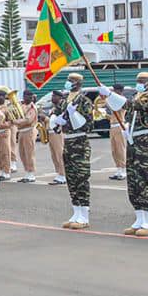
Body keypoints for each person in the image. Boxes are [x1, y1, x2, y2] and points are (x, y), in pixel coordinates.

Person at [103, 72, 148, 236]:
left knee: (143, 182)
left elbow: (130, 106)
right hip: (133, 141)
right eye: (138, 81)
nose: (139, 84)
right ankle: (139, 218)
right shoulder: (137, 97)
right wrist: (127, 129)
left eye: (142, 81)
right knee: (133, 183)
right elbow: (126, 111)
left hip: (144, 144)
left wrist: (110, 94)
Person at [55, 73, 94, 228]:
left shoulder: (84, 101)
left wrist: (74, 115)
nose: (68, 83)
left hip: (80, 142)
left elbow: (89, 126)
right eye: (68, 80)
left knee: (81, 178)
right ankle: (76, 212)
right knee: (71, 179)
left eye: (71, 81)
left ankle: (84, 215)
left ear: (78, 83)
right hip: (68, 142)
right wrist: (57, 121)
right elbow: (56, 119)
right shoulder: (64, 101)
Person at [13, 90, 38, 183]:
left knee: (29, 152)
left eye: (29, 96)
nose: (27, 98)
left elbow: (28, 120)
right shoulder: (22, 106)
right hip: (21, 131)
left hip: (29, 131)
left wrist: (16, 122)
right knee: (22, 153)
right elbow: (17, 115)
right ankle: (27, 172)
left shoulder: (32, 107)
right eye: (25, 96)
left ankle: (31, 174)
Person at [105, 83, 128, 181]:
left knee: (120, 149)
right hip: (113, 126)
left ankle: (123, 170)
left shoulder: (122, 100)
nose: (114, 91)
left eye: (115, 90)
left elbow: (116, 108)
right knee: (114, 150)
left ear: (119, 90)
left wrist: (108, 99)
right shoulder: (114, 100)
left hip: (119, 125)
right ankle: (118, 169)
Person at [46, 90, 67, 185]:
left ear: (60, 98)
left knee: (59, 153)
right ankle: (59, 173)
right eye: (52, 96)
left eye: (54, 96)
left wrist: (45, 118)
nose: (52, 98)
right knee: (54, 155)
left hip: (57, 132)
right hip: (51, 132)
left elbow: (58, 120)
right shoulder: (53, 108)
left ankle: (63, 175)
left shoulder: (61, 107)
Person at [0, 87, 14, 180]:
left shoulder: (8, 108)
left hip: (4, 132)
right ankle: (1, 170)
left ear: (4, 97)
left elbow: (11, 122)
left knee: (5, 152)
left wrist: (0, 125)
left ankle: (6, 172)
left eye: (0, 96)